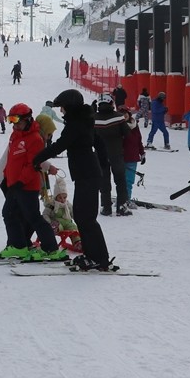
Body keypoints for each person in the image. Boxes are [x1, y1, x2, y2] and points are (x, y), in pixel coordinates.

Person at [33, 89, 115, 271]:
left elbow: (60, 145)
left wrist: (37, 158)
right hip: (87, 173)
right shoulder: (83, 122)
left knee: (86, 218)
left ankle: (99, 258)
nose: (61, 111)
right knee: (82, 216)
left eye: (62, 108)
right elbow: (99, 142)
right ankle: (92, 255)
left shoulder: (76, 125)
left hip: (87, 173)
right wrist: (102, 164)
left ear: (69, 107)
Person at [0, 103, 65, 262]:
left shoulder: (35, 139)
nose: (14, 124)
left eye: (17, 120)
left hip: (26, 185)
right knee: (9, 213)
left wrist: (20, 181)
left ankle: (51, 248)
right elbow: (10, 161)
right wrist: (9, 179)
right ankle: (18, 246)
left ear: (27, 119)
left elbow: (33, 164)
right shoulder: (15, 135)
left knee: (33, 217)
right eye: (11, 120)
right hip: (13, 184)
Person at [94, 94, 133, 216]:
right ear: (111, 103)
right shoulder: (118, 117)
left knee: (104, 182)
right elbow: (127, 134)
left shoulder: (93, 118)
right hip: (116, 153)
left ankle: (106, 207)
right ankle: (122, 207)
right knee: (120, 181)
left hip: (100, 155)